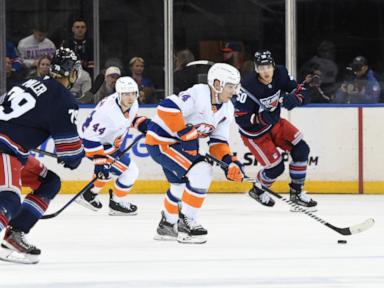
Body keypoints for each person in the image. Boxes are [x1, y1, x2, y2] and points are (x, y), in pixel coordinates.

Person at [0, 47, 85, 264]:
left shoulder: (32, 83)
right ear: (72, 74)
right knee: (8, 200)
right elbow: (71, 155)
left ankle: (14, 234)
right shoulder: (63, 99)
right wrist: (78, 155)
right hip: (5, 148)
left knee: (48, 182)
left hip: (13, 150)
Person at [145, 63, 244, 244]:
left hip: (179, 146)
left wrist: (230, 162)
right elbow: (166, 108)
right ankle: (187, 223)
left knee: (179, 187)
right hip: (162, 141)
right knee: (202, 171)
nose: (234, 91)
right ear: (217, 83)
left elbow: (218, 143)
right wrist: (185, 132)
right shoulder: (199, 93)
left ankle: (167, 225)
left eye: (235, 87)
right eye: (230, 86)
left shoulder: (227, 110)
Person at [233, 50, 317, 210]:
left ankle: (296, 193)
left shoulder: (281, 74)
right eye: (261, 68)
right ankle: (258, 190)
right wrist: (260, 118)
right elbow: (241, 119)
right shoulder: (247, 86)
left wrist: (296, 99)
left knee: (302, 150)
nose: (266, 71)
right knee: (276, 168)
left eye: (268, 67)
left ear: (273, 66)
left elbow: (301, 92)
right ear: (256, 69)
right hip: (255, 134)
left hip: (275, 123)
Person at [77, 76, 150, 215]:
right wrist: (99, 162)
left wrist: (144, 124)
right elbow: (90, 138)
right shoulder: (108, 113)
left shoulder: (131, 104)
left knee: (107, 171)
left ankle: (89, 195)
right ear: (118, 94)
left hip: (107, 144)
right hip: (92, 144)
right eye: (126, 94)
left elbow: (130, 118)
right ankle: (117, 203)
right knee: (130, 171)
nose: (130, 97)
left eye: (133, 93)